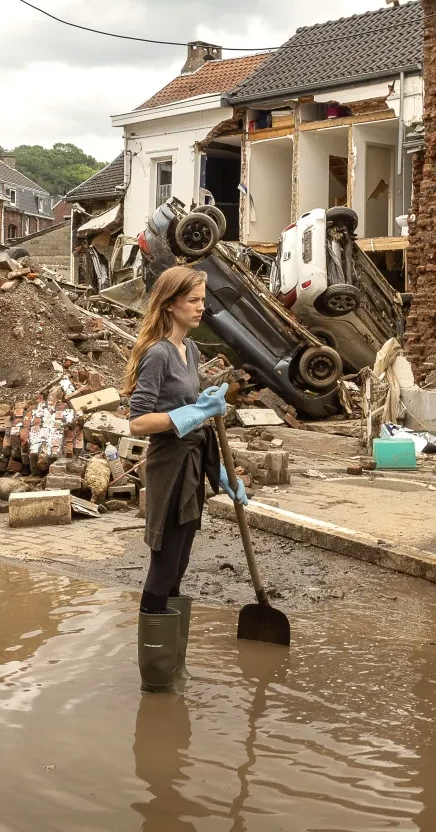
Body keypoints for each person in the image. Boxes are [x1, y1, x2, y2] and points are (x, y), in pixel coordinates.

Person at [123, 265, 248, 694]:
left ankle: (172, 661)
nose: (202, 307)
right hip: (168, 468)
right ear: (171, 303)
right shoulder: (156, 353)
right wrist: (195, 412)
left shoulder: (189, 351)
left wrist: (223, 477)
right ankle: (154, 672)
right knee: (163, 564)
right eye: (194, 300)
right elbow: (138, 422)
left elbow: (198, 424)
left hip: (194, 464)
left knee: (181, 562)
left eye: (202, 298)